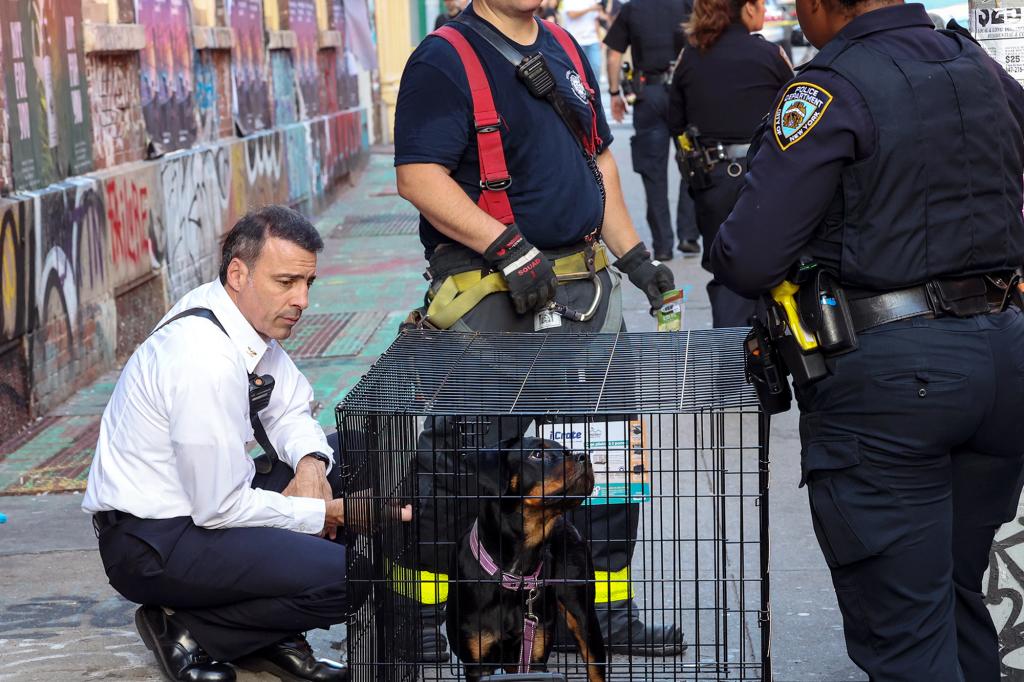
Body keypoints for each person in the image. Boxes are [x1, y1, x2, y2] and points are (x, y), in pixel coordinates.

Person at [709, 0, 1024, 677]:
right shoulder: (976, 64)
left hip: (894, 383)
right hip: (1003, 358)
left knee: (908, 631)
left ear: (822, 5)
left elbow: (751, 254)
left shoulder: (831, 86)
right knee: (955, 594)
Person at [393, 0, 684, 662]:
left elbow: (600, 164)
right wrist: (505, 246)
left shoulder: (565, 47)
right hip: (494, 296)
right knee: (463, 464)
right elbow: (418, 175)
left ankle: (608, 613)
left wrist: (639, 261)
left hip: (585, 295)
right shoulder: (445, 59)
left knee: (603, 463)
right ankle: (421, 619)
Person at [82, 206, 366, 682]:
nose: (301, 300)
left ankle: (274, 634)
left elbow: (291, 406)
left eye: (307, 283)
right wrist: (325, 514)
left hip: (200, 510)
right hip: (153, 541)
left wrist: (312, 466)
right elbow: (219, 508)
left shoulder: (238, 318)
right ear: (239, 273)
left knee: (354, 450)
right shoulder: (202, 357)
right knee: (356, 576)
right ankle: (187, 628)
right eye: (285, 282)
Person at [669, 0, 792, 326]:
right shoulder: (770, 54)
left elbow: (675, 121)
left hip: (713, 181)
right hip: (768, 179)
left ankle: (730, 365)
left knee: (726, 279)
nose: (765, 10)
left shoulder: (691, 56)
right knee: (777, 269)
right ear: (747, 8)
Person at [605, 0, 703, 262]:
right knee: (691, 163)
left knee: (653, 172)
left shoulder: (632, 8)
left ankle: (662, 245)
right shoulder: (688, 5)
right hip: (684, 95)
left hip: (648, 96)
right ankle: (689, 236)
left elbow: (613, 54)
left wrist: (615, 93)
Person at [561, 0, 606, 73]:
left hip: (593, 40)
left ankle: (594, 84)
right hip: (576, 40)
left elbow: (596, 20)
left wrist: (599, 38)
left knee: (596, 67)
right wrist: (589, 9)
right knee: (579, 70)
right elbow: (571, 14)